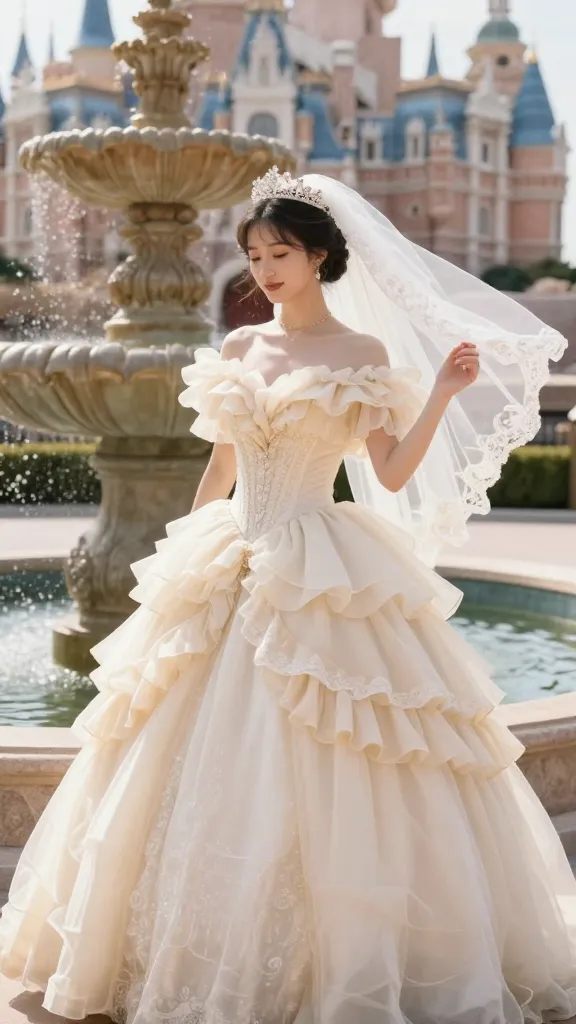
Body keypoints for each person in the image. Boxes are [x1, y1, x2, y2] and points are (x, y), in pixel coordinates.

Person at [0, 168, 575, 1024]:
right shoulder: (238, 349)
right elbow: (222, 465)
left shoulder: (362, 355)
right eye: (256, 253)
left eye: (281, 253)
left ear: (320, 257)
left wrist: (444, 395)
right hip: (232, 553)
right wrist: (179, 563)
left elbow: (385, 471)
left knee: (336, 743)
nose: (265, 268)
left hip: (318, 557)